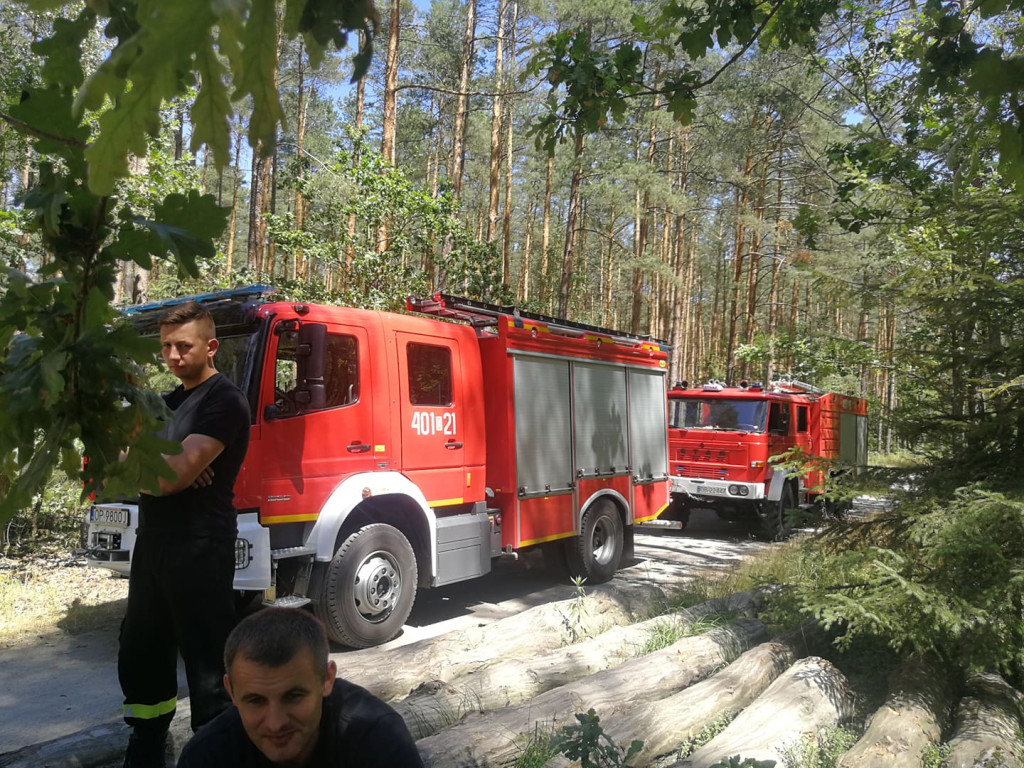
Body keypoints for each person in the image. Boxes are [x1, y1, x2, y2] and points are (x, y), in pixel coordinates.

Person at [119, 301, 251, 768]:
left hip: (201, 546)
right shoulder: (166, 403)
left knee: (207, 660)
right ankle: (147, 744)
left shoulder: (225, 401)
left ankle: (215, 753)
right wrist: (163, 467)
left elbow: (169, 476)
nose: (173, 356)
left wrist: (164, 468)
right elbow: (130, 463)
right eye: (166, 347)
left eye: (183, 346)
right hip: (153, 543)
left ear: (211, 346)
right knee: (142, 650)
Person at [176, 608, 425, 768]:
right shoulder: (207, 756)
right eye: (255, 701)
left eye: (293, 696)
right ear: (231, 691)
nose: (275, 724)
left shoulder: (378, 741)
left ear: (327, 679)